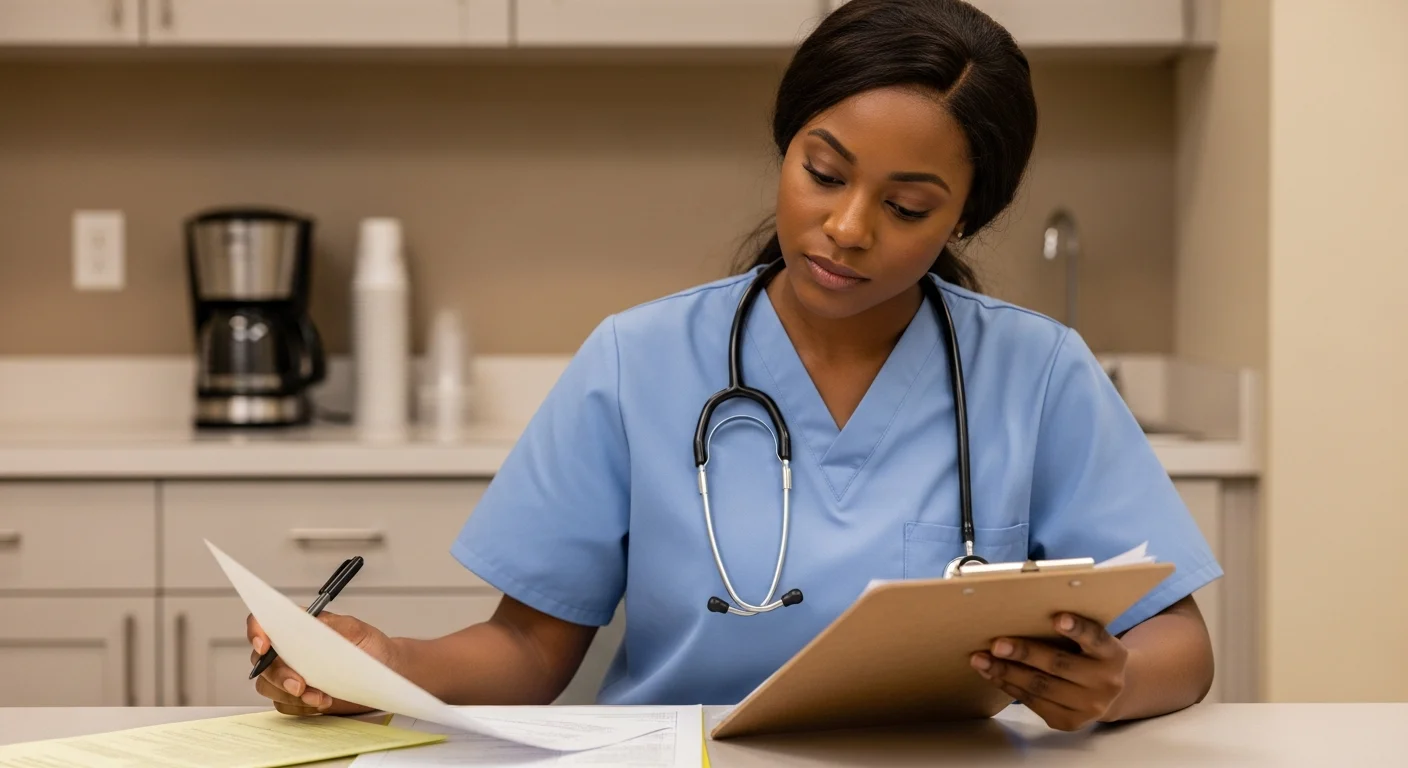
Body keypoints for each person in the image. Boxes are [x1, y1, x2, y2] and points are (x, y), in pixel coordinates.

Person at [247, 0, 1220, 732]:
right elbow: (526, 649)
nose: (846, 228)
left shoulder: (1036, 372)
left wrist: (1112, 683)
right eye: (823, 172)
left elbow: (1179, 641)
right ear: (784, 146)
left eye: (908, 206)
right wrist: (383, 662)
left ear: (965, 214)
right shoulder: (639, 361)